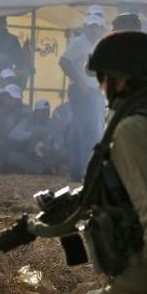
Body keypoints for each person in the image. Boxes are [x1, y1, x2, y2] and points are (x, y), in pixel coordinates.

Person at [0, 31, 147, 294]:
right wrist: (32, 227)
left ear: (121, 80)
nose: (100, 86)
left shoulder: (132, 129)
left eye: (102, 78)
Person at [59, 13, 106, 181]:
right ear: (85, 27)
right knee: (89, 131)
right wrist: (80, 82)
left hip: (93, 91)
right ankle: (86, 172)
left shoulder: (98, 44)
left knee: (84, 131)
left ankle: (79, 172)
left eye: (97, 27)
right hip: (82, 92)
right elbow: (64, 61)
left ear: (101, 29)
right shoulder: (79, 42)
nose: (94, 29)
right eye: (91, 26)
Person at [5, 99, 65, 175]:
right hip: (30, 155)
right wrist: (31, 134)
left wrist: (51, 148)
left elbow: (60, 143)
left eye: (47, 111)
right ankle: (40, 169)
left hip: (47, 156)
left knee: (63, 154)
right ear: (36, 112)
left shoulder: (54, 124)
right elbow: (12, 135)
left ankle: (37, 168)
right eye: (42, 112)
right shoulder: (27, 122)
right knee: (12, 156)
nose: (45, 114)